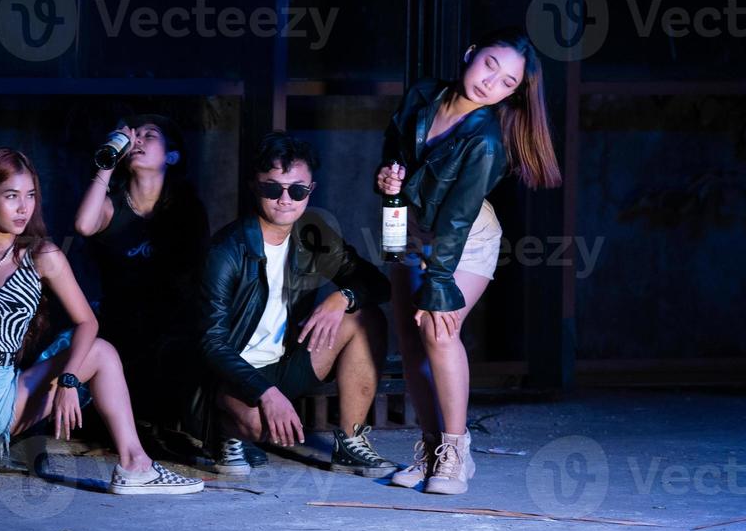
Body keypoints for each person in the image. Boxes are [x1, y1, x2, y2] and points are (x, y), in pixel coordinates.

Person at [0, 147, 205, 506]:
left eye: (31, 196)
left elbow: (87, 322)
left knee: (100, 350)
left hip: (5, 392)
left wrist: (69, 379)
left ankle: (136, 466)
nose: (25, 208)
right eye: (11, 196)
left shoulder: (43, 256)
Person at [377, 28, 562, 496]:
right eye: (489, 66)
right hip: (413, 233)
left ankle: (457, 456)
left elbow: (457, 221)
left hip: (465, 242)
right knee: (410, 343)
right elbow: (396, 156)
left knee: (440, 333)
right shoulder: (423, 93)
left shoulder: (485, 142)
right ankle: (431, 448)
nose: (490, 83)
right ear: (470, 53)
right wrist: (388, 181)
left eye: (507, 82)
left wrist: (439, 287)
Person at [198, 133, 393, 478]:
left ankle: (350, 443)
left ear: (310, 190)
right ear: (254, 187)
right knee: (265, 431)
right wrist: (266, 392)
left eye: (297, 190)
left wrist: (341, 297)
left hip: (286, 362)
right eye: (273, 189)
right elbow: (211, 343)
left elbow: (377, 283)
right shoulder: (227, 251)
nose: (285, 200)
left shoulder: (312, 234)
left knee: (366, 317)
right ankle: (225, 431)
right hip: (230, 375)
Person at [73, 114, 210, 452]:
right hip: (120, 328)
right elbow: (83, 225)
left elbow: (194, 279)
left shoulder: (186, 209)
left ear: (171, 155)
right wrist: (107, 161)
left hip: (171, 330)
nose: (138, 140)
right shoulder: (112, 205)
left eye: (151, 135)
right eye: (134, 136)